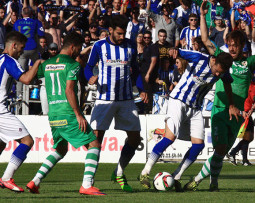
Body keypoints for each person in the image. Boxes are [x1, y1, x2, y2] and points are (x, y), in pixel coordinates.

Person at [184, 0, 255, 192]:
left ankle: (213, 184)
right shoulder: (222, 58)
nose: (231, 48)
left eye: (235, 45)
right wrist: (203, 16)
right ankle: (196, 181)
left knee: (221, 153)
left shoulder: (249, 62)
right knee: (220, 149)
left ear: (242, 46)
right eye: (229, 44)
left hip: (238, 113)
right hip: (221, 109)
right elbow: (205, 40)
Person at [139, 46, 239, 192]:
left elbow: (228, 83)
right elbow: (177, 51)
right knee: (169, 138)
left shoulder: (222, 72)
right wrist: (173, 50)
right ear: (214, 60)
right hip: (178, 101)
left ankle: (177, 176)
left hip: (195, 108)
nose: (218, 74)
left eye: (221, 72)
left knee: (198, 145)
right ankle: (145, 173)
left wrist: (231, 104)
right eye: (217, 70)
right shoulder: (199, 58)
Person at [26, 32, 105, 196]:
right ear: (74, 47)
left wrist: (39, 62)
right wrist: (78, 114)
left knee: (61, 149)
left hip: (53, 114)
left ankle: (35, 181)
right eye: (79, 49)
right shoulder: (73, 64)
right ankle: (86, 185)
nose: (79, 52)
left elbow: (32, 75)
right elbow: (69, 90)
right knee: (94, 144)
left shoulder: (47, 64)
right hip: (68, 113)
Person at [84, 15, 148, 192]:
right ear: (110, 30)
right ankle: (88, 182)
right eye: (119, 33)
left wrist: (142, 89)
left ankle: (119, 172)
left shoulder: (130, 46)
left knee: (135, 138)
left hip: (126, 99)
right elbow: (88, 67)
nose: (122, 37)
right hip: (105, 99)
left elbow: (135, 71)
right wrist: (90, 77)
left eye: (123, 33)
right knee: (96, 139)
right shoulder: (99, 46)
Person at [0, 31, 42, 192]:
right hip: (1, 110)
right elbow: (25, 79)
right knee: (27, 141)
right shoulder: (9, 60)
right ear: (13, 45)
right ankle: (6, 178)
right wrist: (37, 63)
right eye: (21, 48)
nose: (21, 52)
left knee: (1, 144)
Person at [14, 7, 44, 100]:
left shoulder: (17, 22)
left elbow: (14, 34)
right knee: (37, 67)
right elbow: (41, 33)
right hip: (33, 48)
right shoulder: (35, 22)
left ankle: (19, 94)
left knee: (20, 73)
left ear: (22, 14)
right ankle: (36, 86)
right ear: (31, 14)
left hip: (22, 49)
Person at [227, 81, 255, 166]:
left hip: (248, 114)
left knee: (249, 137)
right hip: (241, 114)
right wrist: (241, 111)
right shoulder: (239, 84)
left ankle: (236, 154)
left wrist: (252, 109)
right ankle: (240, 157)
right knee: (247, 137)